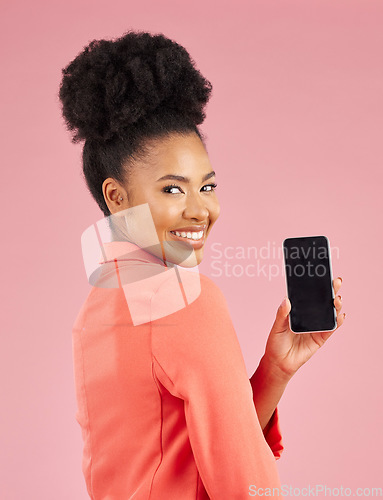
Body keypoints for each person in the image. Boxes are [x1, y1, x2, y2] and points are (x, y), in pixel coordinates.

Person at [58, 29, 345, 500]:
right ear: (116, 196)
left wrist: (275, 369)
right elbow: (245, 485)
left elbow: (190, 453)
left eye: (207, 187)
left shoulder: (98, 305)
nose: (200, 210)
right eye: (173, 189)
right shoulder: (185, 298)